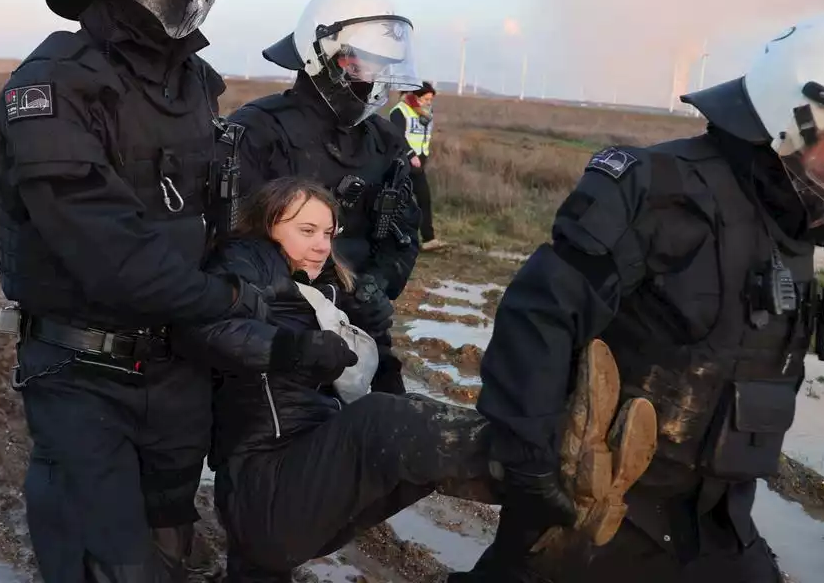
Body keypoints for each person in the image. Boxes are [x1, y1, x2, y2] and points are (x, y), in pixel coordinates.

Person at [451, 12, 824, 582]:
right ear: (793, 118)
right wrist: (530, 463)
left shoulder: (799, 232)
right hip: (600, 514)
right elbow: (541, 315)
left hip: (718, 527)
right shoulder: (660, 189)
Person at [0, 0, 270, 580]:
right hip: (84, 374)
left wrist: (254, 270)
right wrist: (229, 303)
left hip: (179, 374)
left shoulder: (199, 88)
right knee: (104, 562)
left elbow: (219, 217)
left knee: (173, 546)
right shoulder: (52, 84)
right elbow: (104, 243)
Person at [197, 176, 658, 582]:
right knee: (383, 422)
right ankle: (561, 450)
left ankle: (568, 497)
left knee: (414, 451)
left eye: (328, 233)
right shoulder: (246, 265)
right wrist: (293, 349)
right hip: (263, 491)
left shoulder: (327, 296)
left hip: (296, 496)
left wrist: (374, 334)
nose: (322, 244)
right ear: (266, 227)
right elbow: (213, 329)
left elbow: (379, 390)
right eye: (306, 231)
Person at [227, 0, 425, 395]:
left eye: (384, 67)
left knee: (387, 442)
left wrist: (374, 286)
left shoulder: (385, 141)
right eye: (366, 64)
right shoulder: (259, 129)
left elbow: (403, 237)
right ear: (328, 59)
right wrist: (320, 295)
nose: (375, 79)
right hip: (280, 338)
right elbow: (232, 243)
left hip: (363, 334)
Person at [390, 82, 445, 251]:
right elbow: (398, 137)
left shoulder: (428, 113)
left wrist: (423, 155)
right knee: (396, 202)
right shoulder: (400, 111)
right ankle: (390, 238)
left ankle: (429, 239)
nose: (429, 102)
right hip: (402, 162)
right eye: (426, 99)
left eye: (431, 99)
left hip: (420, 163)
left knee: (424, 199)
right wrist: (410, 154)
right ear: (416, 97)